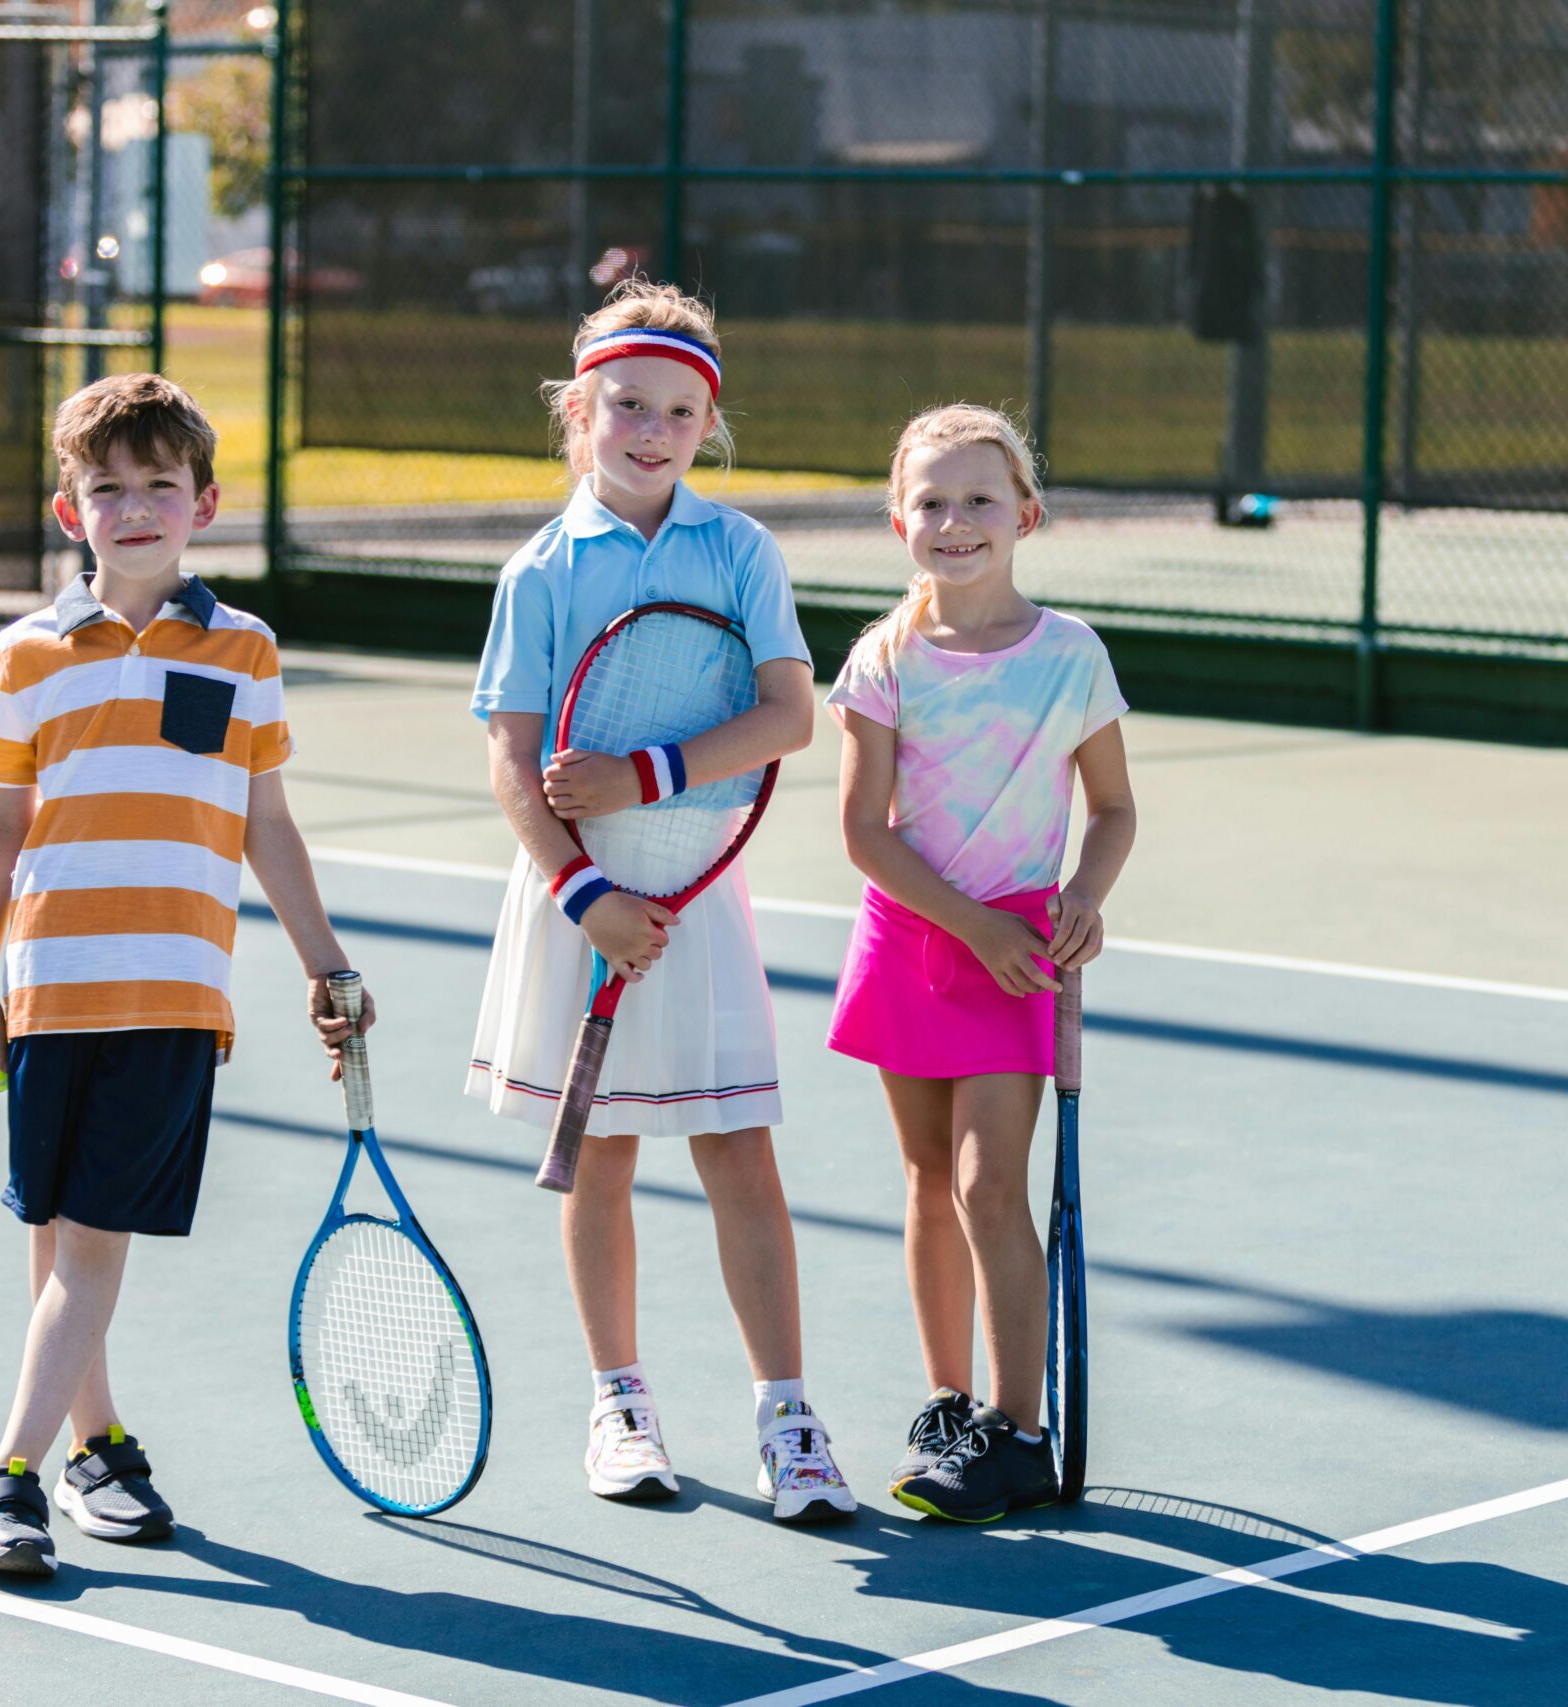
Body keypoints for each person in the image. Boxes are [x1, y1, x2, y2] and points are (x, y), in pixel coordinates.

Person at [0, 372, 369, 1575]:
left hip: (175, 991)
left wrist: (324, 960)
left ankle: (4, 1477)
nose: (135, 507)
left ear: (206, 504)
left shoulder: (245, 650)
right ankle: (94, 1451)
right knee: (61, 1231)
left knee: (90, 1243)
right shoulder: (26, 656)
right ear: (71, 513)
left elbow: (265, 822)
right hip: (47, 989)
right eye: (108, 489)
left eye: (159, 487)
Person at [467, 279, 855, 1522]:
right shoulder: (537, 572)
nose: (650, 429)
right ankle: (619, 1406)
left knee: (740, 1150)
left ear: (707, 426)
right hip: (579, 902)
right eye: (627, 404)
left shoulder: (739, 549)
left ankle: (788, 1418)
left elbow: (793, 714)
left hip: (696, 898)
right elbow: (512, 765)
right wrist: (585, 894)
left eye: (678, 412)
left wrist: (647, 774)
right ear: (578, 410)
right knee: (601, 1159)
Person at [825, 404, 1137, 1524]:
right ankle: (950, 1401)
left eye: (978, 501)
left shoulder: (1070, 656)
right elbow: (863, 831)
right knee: (923, 1182)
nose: (953, 522)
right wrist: (969, 924)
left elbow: (1109, 811)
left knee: (984, 1184)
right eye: (931, 502)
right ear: (898, 519)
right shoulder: (884, 658)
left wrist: (1082, 898)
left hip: (1013, 955)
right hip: (915, 936)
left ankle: (1018, 1430)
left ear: (1025, 517)